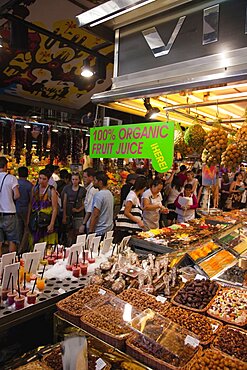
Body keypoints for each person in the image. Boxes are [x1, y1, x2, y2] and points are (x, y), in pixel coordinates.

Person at [114, 176, 147, 244]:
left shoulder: (134, 196)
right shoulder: (132, 196)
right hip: (127, 228)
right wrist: (138, 221)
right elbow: (126, 212)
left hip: (129, 228)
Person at [29, 169, 58, 246]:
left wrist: (52, 224)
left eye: (44, 179)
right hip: (36, 222)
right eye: (40, 178)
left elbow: (55, 208)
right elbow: (30, 204)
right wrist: (28, 219)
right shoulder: (34, 189)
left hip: (46, 221)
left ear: (48, 180)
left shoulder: (51, 190)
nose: (41, 181)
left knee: (47, 245)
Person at [0, 157, 20, 256]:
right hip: (9, 213)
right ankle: (11, 264)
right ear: (6, 166)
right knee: (12, 240)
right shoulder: (11, 178)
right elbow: (17, 195)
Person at [88, 171, 114, 239]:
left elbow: (95, 214)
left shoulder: (99, 195)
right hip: (108, 229)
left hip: (99, 230)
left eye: (95, 180)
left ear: (100, 182)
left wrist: (90, 231)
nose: (93, 182)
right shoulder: (109, 194)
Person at [62, 173, 86, 245]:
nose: (74, 181)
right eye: (73, 179)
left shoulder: (83, 190)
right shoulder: (67, 188)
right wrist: (64, 215)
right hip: (69, 214)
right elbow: (64, 202)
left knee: (78, 232)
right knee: (69, 232)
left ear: (79, 180)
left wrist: (79, 209)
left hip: (79, 214)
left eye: (76, 179)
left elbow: (85, 203)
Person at [16, 166, 33, 253]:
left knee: (19, 229)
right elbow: (31, 200)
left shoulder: (15, 183)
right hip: (26, 209)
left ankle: (18, 247)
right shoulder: (29, 185)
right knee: (26, 229)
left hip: (16, 209)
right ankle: (23, 248)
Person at [79, 167, 98, 234]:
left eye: (85, 177)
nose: (83, 179)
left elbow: (89, 210)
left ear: (91, 178)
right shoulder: (88, 189)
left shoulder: (92, 190)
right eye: (83, 177)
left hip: (90, 223)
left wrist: (83, 224)